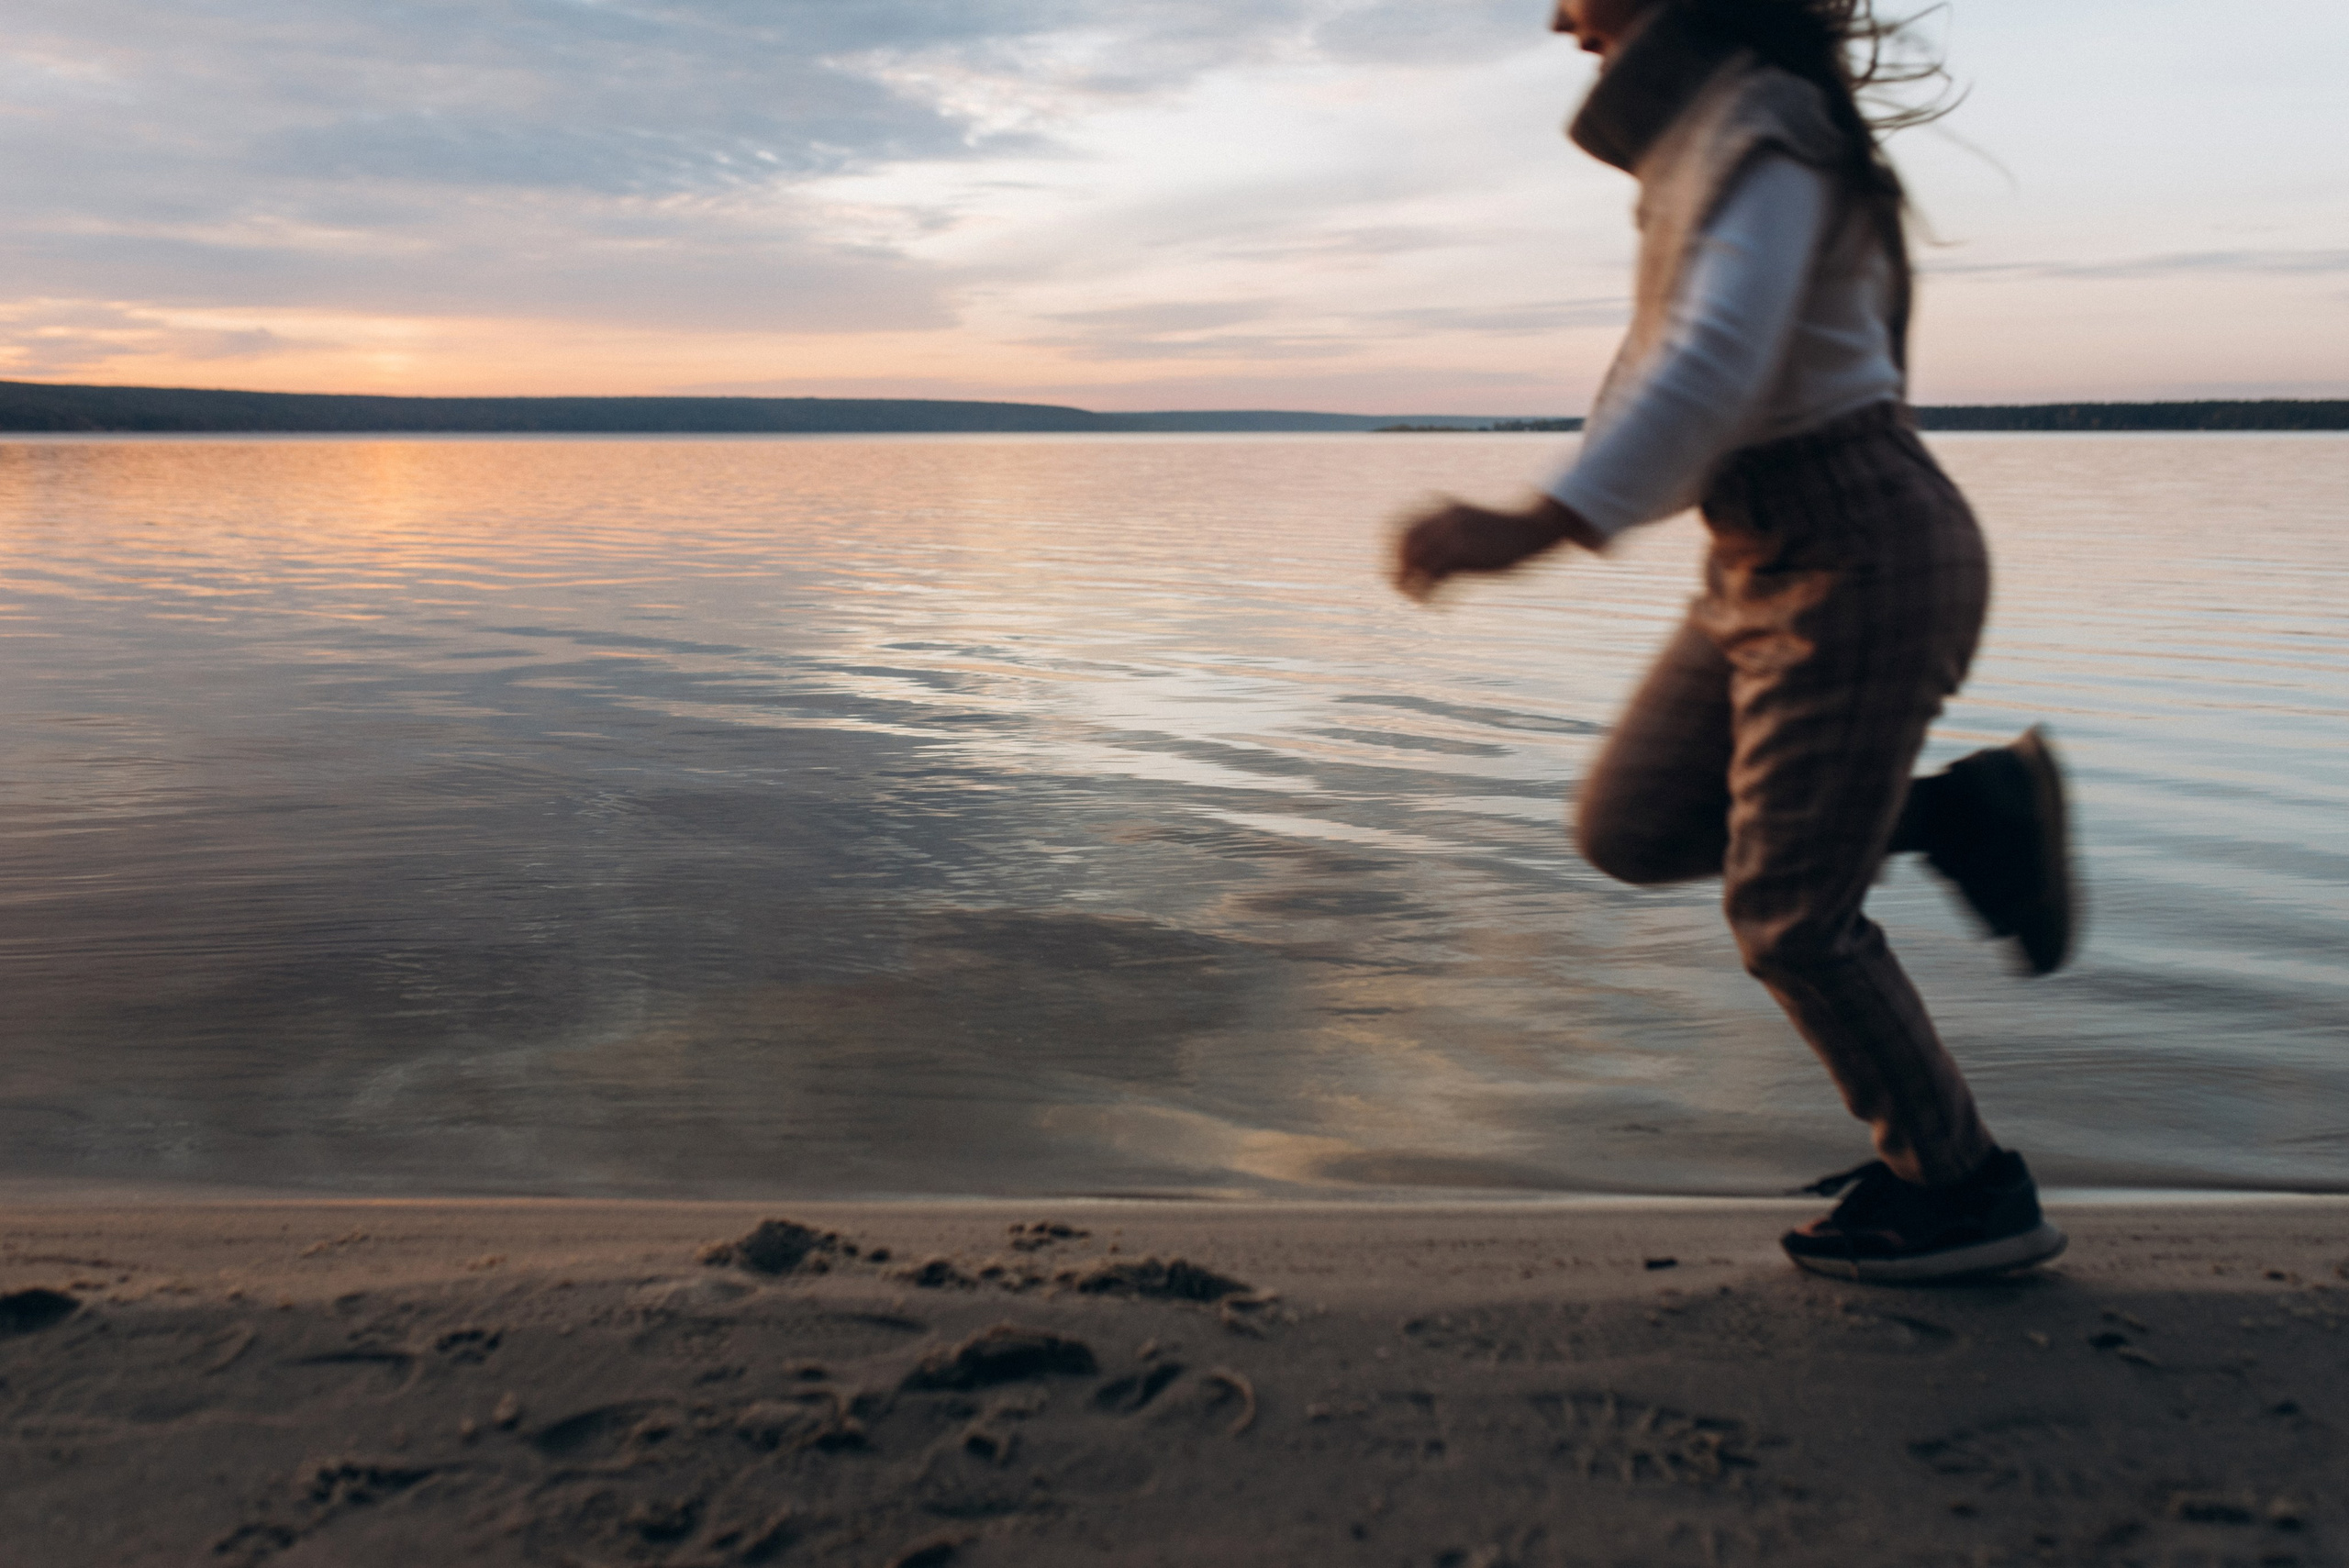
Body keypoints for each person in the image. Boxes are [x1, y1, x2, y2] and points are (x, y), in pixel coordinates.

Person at [1391, 0, 2076, 1283]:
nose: (1557, 17)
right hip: (1757, 551)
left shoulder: (1769, 128)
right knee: (1636, 824)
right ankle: (1960, 816)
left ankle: (1963, 1182)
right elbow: (1698, 372)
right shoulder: (1715, 133)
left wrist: (1539, 520)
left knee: (1788, 913)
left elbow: (1714, 363)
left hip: (1860, 546)